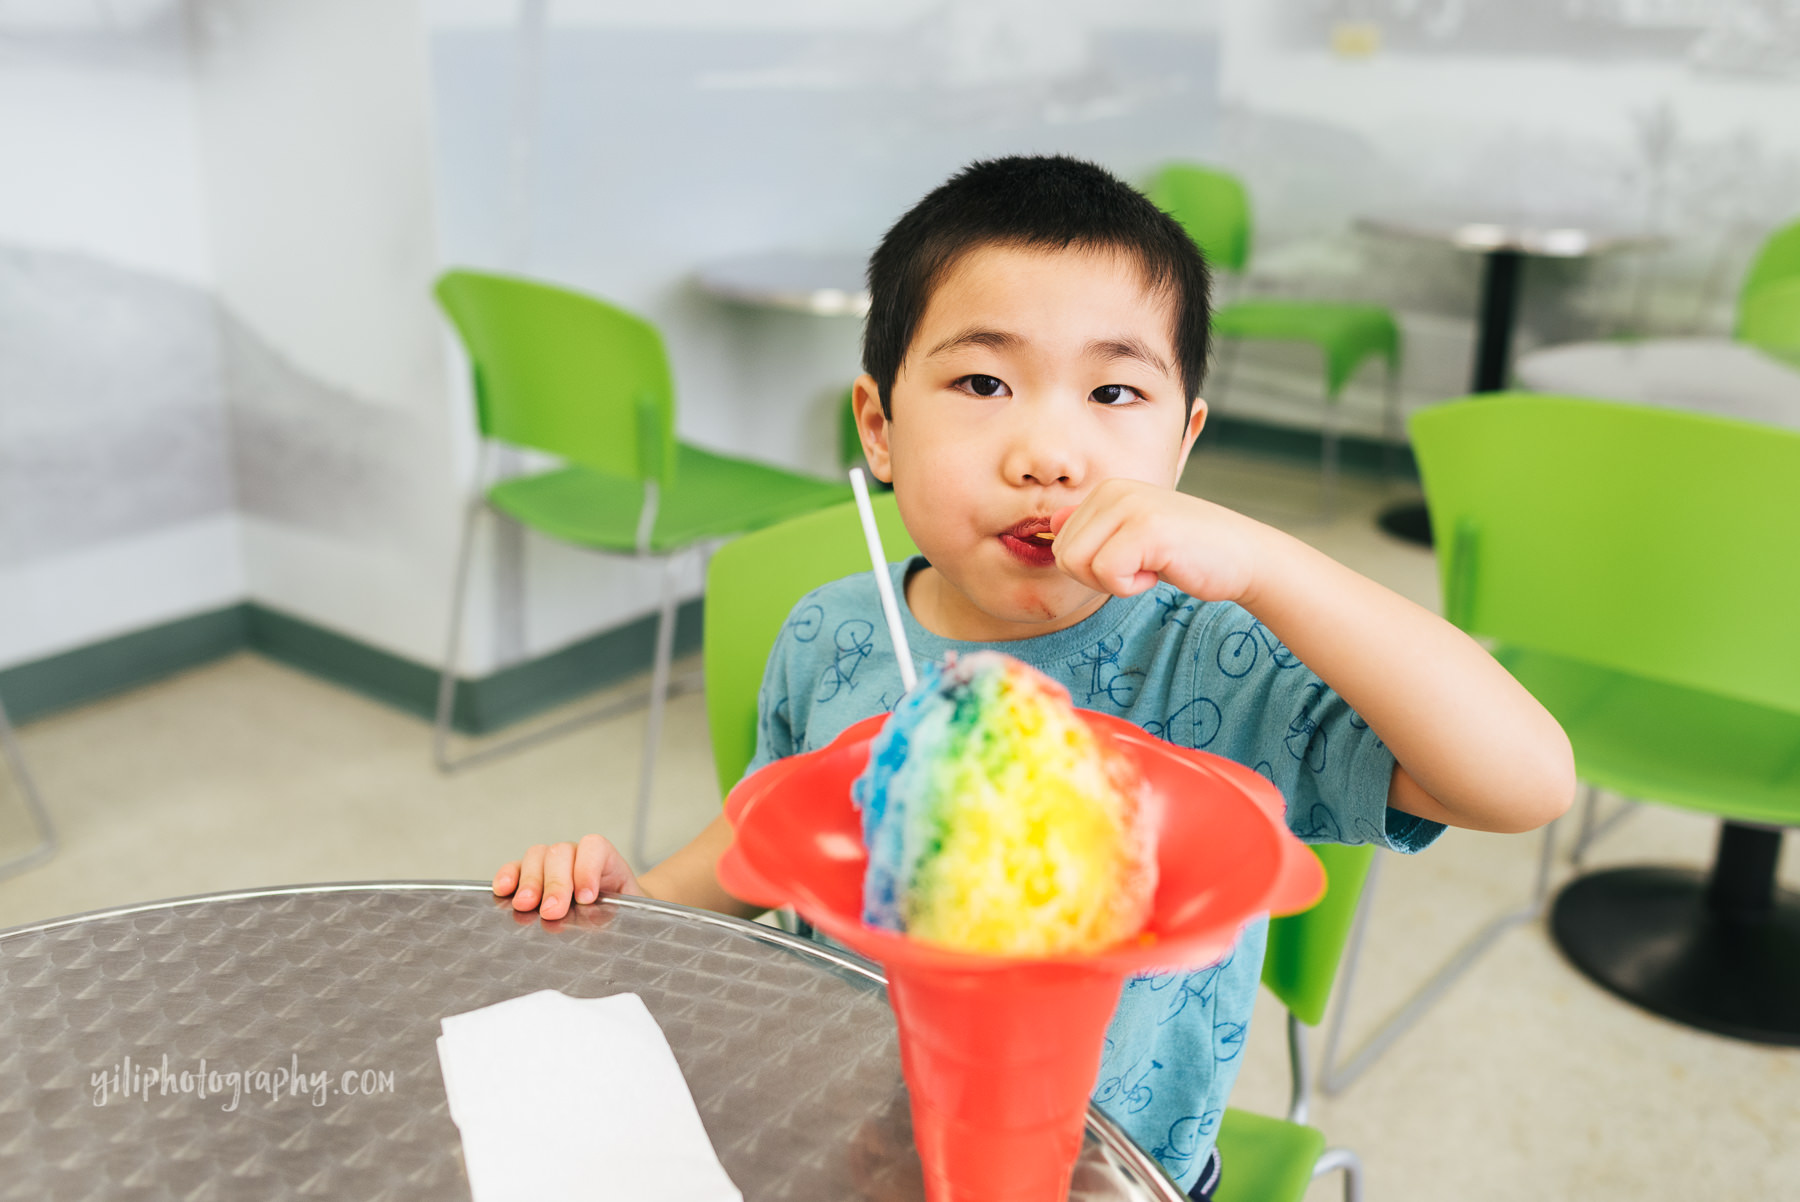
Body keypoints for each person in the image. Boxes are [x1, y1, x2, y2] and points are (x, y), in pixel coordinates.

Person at [492, 155, 1574, 1198]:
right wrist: (638, 902)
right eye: (982, 380)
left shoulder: (1222, 650)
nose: (1048, 451)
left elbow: (1523, 781)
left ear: (1184, 442)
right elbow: (780, 832)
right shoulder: (830, 632)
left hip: (1121, 1168)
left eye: (1113, 391)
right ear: (879, 424)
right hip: (855, 1142)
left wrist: (1269, 566)